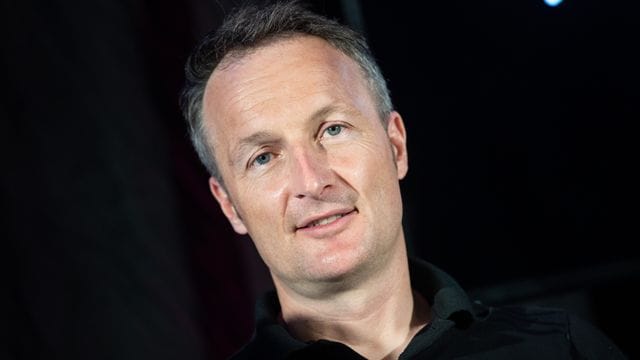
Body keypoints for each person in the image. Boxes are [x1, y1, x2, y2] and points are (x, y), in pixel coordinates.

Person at [179, 2, 626, 359]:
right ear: (230, 205)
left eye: (332, 129)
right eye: (263, 157)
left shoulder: (560, 348)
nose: (311, 181)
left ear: (395, 146)